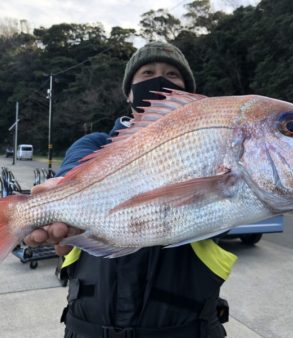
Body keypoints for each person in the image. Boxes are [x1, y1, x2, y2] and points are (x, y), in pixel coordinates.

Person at [25, 41, 237, 338]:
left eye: (172, 75)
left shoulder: (210, 151)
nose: (159, 80)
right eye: (147, 72)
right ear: (129, 92)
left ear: (189, 94)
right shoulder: (93, 145)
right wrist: (54, 213)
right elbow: (65, 219)